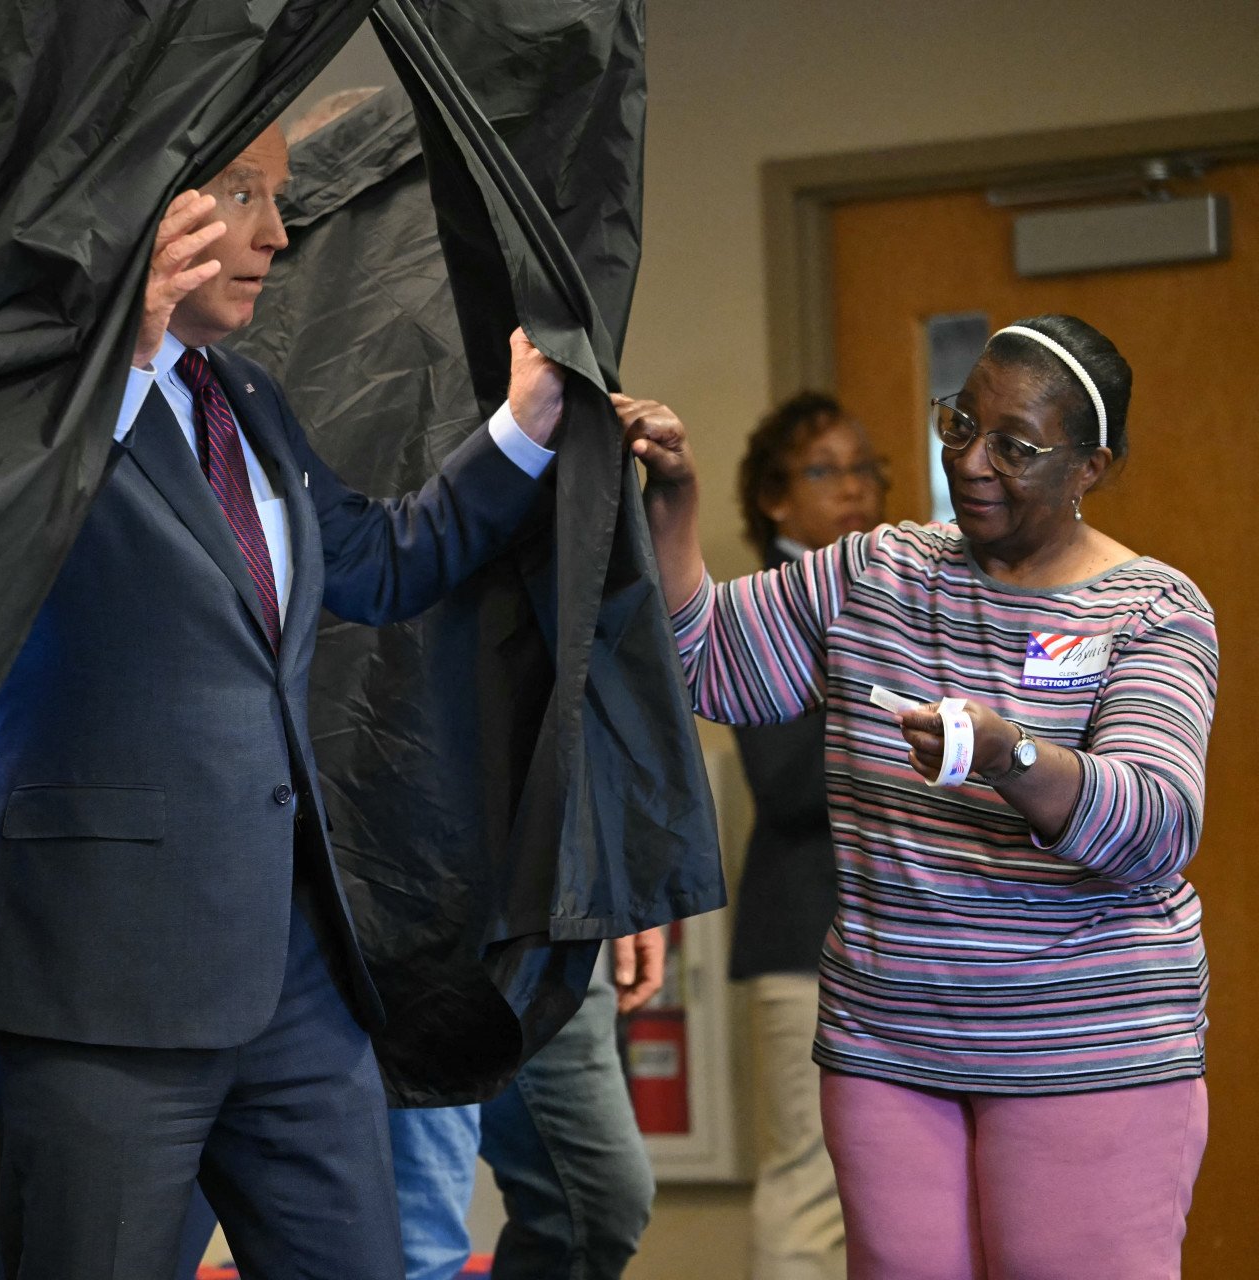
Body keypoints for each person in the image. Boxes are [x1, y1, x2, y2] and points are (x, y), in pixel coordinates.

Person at [0, 122, 568, 1280]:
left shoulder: (244, 395)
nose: (278, 235)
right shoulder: (28, 388)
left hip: (290, 973)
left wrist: (524, 429)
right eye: (244, 194)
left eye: (278, 199)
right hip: (104, 974)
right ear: (155, 206)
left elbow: (379, 560)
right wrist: (120, 360)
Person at [618, 314, 1215, 1280]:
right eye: (960, 424)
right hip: (889, 1043)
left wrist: (1010, 754)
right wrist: (674, 498)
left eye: (1014, 447)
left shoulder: (1151, 610)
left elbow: (1152, 823)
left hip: (1082, 1042)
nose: (973, 462)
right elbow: (706, 660)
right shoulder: (880, 571)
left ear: (1090, 467)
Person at [730, 393, 885, 1280]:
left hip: (901, 943)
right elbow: (786, 785)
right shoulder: (768, 605)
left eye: (863, 467)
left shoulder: (888, 587)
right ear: (776, 500)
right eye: (825, 471)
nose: (853, 489)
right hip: (806, 937)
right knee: (811, 1187)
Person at [388, 931, 664, 1280]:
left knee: (594, 1207)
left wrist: (632, 885)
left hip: (556, 919)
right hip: (416, 917)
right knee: (421, 1245)